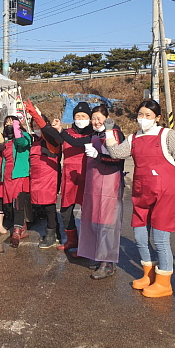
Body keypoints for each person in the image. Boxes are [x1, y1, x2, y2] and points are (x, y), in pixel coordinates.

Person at [105, 99, 175, 297]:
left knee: (160, 239)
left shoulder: (167, 135)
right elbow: (117, 153)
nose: (143, 119)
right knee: (140, 235)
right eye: (140, 115)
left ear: (158, 118)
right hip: (142, 190)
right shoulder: (134, 137)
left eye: (148, 116)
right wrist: (109, 132)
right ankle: (148, 275)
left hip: (164, 193)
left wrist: (171, 181)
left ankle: (164, 282)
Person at [56, 104, 125, 279]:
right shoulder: (94, 134)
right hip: (94, 183)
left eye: (98, 118)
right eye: (93, 118)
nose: (95, 121)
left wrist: (98, 156)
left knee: (107, 224)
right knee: (94, 220)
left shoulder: (115, 133)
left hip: (110, 183)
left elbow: (118, 158)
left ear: (106, 118)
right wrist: (60, 131)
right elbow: (76, 142)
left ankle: (108, 263)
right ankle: (98, 256)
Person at [23, 100, 62, 249]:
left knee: (49, 207)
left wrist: (34, 114)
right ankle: (55, 233)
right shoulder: (35, 141)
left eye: (38, 125)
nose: (36, 128)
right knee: (46, 208)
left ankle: (51, 235)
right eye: (33, 126)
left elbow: (45, 129)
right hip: (37, 178)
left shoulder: (51, 141)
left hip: (49, 178)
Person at [58, 102, 94, 253]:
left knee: (88, 212)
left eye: (83, 116)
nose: (80, 118)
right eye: (77, 116)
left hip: (87, 177)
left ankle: (87, 244)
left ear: (89, 118)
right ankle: (72, 240)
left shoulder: (93, 134)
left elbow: (77, 143)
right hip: (69, 176)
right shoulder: (67, 132)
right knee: (66, 210)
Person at [1, 115, 32, 248]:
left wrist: (16, 128)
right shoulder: (6, 140)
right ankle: (23, 229)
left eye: (11, 123)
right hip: (8, 176)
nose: (9, 125)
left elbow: (22, 143)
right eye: (6, 123)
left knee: (18, 204)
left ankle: (16, 233)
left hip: (20, 175)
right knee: (12, 206)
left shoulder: (25, 136)